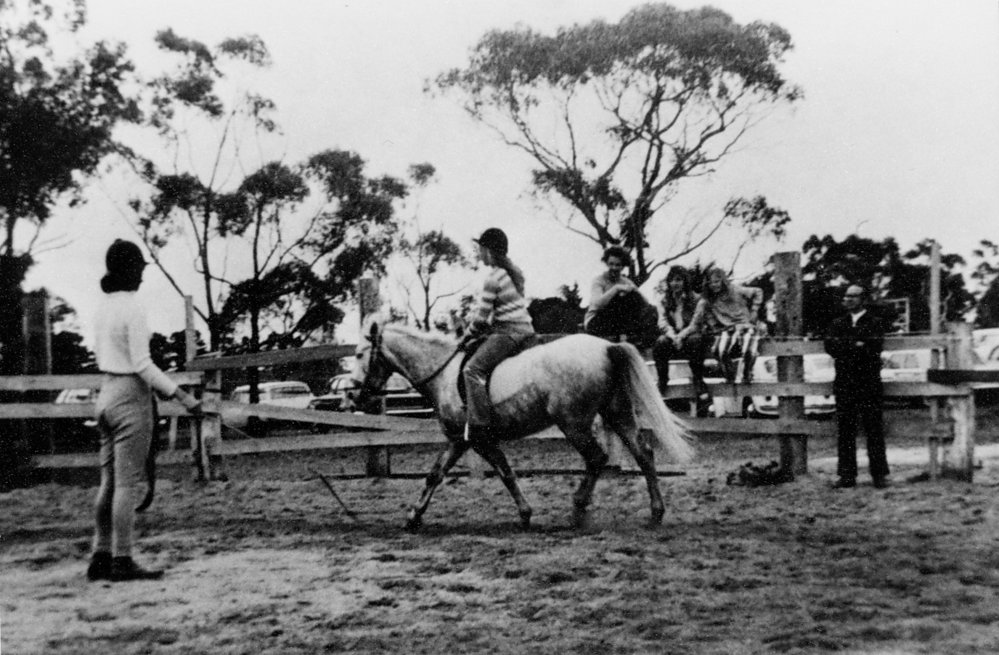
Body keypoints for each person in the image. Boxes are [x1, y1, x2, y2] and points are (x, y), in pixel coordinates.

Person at [87, 240, 203, 582]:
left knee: (108, 481)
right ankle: (122, 559)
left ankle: (100, 554)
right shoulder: (133, 308)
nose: (141, 276)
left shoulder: (103, 307)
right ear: (130, 270)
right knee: (126, 484)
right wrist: (183, 396)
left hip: (105, 394)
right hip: (129, 397)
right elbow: (142, 364)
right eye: (138, 268)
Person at [462, 228, 536, 443]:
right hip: (526, 330)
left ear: (489, 251)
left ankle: (481, 426)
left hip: (509, 332)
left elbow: (481, 320)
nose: (479, 254)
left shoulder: (492, 279)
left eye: (480, 250)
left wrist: (465, 337)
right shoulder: (512, 273)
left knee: (472, 369)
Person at [824, 284, 891, 489]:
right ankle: (847, 475)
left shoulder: (875, 323)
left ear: (863, 299)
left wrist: (848, 347)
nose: (849, 300)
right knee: (845, 431)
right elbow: (830, 346)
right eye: (846, 296)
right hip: (845, 383)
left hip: (869, 383)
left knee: (874, 429)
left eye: (853, 296)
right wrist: (856, 345)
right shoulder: (837, 323)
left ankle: (879, 475)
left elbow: (873, 347)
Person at [651, 266, 712, 414]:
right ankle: (663, 379)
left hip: (690, 337)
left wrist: (681, 336)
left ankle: (698, 379)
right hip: (674, 339)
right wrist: (673, 336)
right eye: (672, 280)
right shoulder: (664, 301)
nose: (675, 283)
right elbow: (662, 322)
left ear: (685, 281)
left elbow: (695, 324)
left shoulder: (698, 300)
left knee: (695, 340)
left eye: (679, 279)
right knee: (660, 342)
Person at [688, 267, 764, 384]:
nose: (714, 285)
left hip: (745, 325)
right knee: (720, 351)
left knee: (748, 349)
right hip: (728, 329)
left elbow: (758, 292)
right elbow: (705, 315)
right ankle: (730, 376)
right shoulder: (709, 300)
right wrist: (713, 326)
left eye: (717, 281)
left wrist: (754, 311)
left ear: (723, 281)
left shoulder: (735, 290)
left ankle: (747, 374)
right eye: (710, 283)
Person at [583, 245, 659, 350]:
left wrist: (634, 289)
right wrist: (616, 288)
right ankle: (628, 336)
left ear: (623, 266)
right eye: (611, 264)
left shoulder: (625, 281)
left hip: (615, 322)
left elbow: (645, 303)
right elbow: (597, 304)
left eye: (618, 265)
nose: (614, 268)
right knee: (618, 299)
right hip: (595, 321)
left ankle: (640, 340)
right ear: (606, 263)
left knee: (636, 298)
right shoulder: (599, 280)